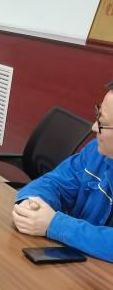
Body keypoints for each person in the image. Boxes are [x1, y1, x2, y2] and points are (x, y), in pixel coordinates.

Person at [12, 82, 113, 261]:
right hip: (79, 264)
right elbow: (55, 181)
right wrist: (32, 204)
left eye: (102, 123)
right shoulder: (96, 152)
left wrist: (55, 225)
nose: (93, 127)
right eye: (98, 115)